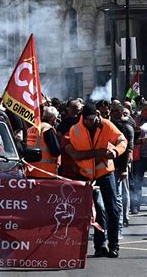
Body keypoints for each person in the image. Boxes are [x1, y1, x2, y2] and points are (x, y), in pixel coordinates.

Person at [66, 104, 127, 258]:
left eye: (94, 119)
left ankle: (114, 246)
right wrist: (98, 152)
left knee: (112, 209)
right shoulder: (75, 130)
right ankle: (99, 246)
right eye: (88, 120)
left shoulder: (106, 125)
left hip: (105, 173)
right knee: (96, 212)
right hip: (86, 176)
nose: (92, 122)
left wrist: (115, 151)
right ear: (83, 118)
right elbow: (75, 155)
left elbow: (122, 140)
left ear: (98, 115)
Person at [110, 103, 134, 233]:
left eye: (114, 111)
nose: (111, 113)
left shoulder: (125, 127)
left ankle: (123, 219)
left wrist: (125, 168)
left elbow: (128, 149)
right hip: (111, 166)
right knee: (115, 195)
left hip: (122, 164)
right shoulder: (110, 125)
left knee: (120, 194)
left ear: (119, 112)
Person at [26, 106, 61, 178]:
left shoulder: (32, 128)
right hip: (45, 173)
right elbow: (56, 151)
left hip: (30, 171)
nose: (55, 121)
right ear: (52, 118)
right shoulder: (48, 129)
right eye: (55, 119)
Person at [131, 102, 147, 214]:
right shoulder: (136, 120)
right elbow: (131, 138)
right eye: (144, 109)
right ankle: (135, 204)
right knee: (137, 181)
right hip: (140, 155)